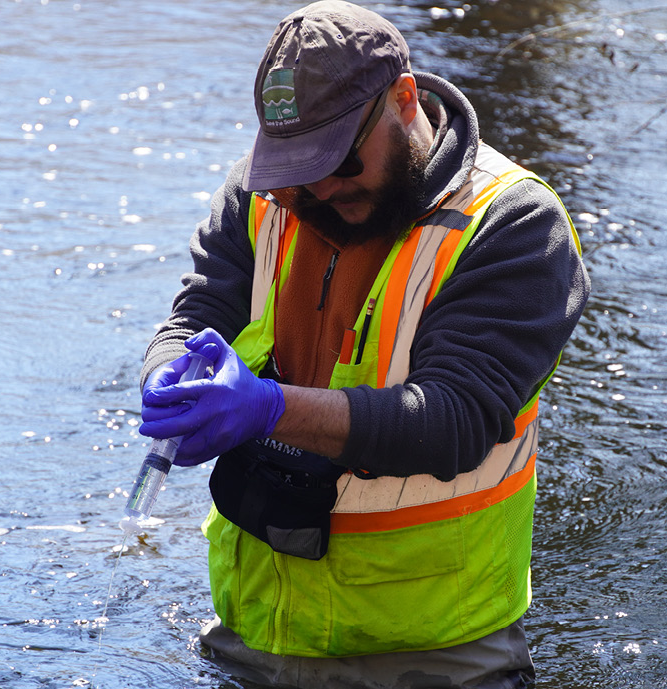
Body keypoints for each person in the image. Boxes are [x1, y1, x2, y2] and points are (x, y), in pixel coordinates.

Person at [137, 1, 590, 687]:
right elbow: (198, 308)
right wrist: (167, 374)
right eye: (297, 163)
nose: (318, 188)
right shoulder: (266, 194)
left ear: (405, 99)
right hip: (253, 639)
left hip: (435, 659)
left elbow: (453, 420)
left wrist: (265, 408)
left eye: (342, 159)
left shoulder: (515, 225)